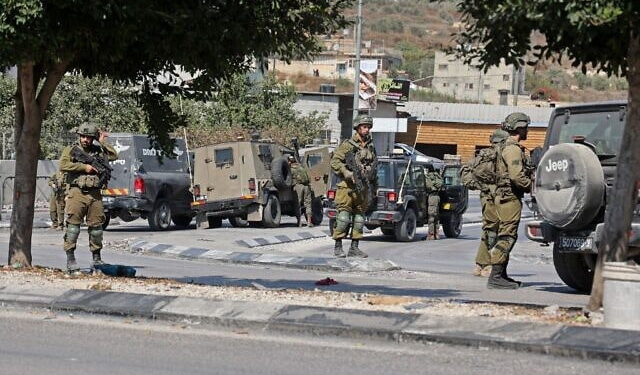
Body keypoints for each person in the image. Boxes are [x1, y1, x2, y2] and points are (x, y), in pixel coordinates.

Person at [59, 122, 117, 273]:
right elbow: (63, 165)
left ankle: (96, 258)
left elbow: (114, 155)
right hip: (77, 192)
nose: (85, 140)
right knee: (73, 227)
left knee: (96, 228)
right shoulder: (72, 150)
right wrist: (84, 167)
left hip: (95, 194)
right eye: (83, 136)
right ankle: (71, 259)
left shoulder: (98, 152)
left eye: (89, 137)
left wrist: (102, 141)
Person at [487, 113, 532, 289]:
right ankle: (495, 277)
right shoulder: (512, 148)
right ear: (519, 128)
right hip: (509, 197)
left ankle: (501, 274)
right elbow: (516, 176)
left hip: (504, 196)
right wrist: (530, 186)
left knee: (505, 234)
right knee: (507, 235)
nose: (528, 130)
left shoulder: (506, 146)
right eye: (526, 127)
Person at [330, 115, 377, 258]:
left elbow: (374, 168)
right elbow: (335, 161)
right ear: (357, 128)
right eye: (364, 126)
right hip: (347, 188)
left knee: (359, 219)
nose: (366, 129)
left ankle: (354, 248)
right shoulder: (348, 145)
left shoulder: (371, 147)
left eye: (368, 127)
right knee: (343, 218)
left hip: (363, 188)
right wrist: (346, 172)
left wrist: (375, 188)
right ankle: (338, 247)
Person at [473, 129, 509, 277]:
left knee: (488, 229)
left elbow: (469, 171)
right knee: (495, 230)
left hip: (486, 195)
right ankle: (488, 265)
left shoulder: (483, 154)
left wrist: (483, 188)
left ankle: (480, 264)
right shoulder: (500, 154)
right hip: (497, 195)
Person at [289, 155, 314, 227]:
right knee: (308, 204)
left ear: (290, 161)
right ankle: (309, 222)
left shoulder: (291, 169)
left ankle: (299, 222)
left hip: (298, 186)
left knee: (298, 204)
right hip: (306, 186)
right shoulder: (301, 167)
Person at [424, 165, 443, 240]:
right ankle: (437, 234)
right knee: (436, 215)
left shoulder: (428, 177)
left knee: (431, 216)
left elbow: (427, 186)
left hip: (431, 197)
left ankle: (431, 234)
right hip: (437, 197)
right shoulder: (437, 176)